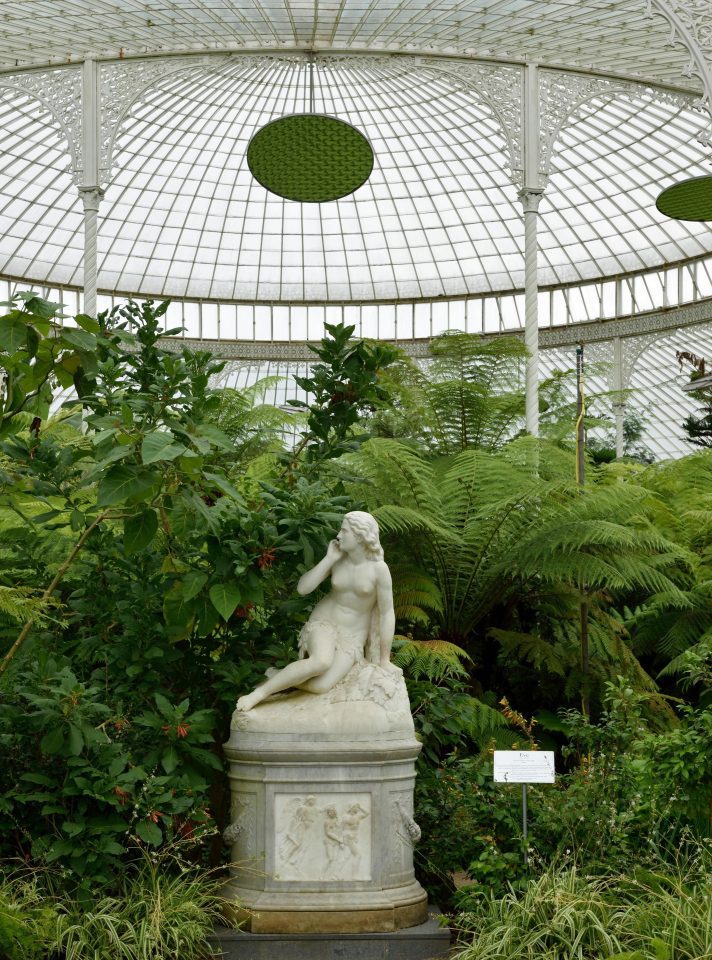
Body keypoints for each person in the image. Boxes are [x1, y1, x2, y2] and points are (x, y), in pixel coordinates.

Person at [236, 511, 395, 712]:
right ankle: (259, 694)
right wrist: (328, 559)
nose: (338, 535)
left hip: (353, 636)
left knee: (321, 686)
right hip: (325, 621)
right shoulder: (338, 560)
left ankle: (280, 676)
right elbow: (303, 589)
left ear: (360, 536)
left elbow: (387, 613)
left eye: (344, 531)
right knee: (321, 661)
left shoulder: (379, 570)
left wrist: (384, 659)